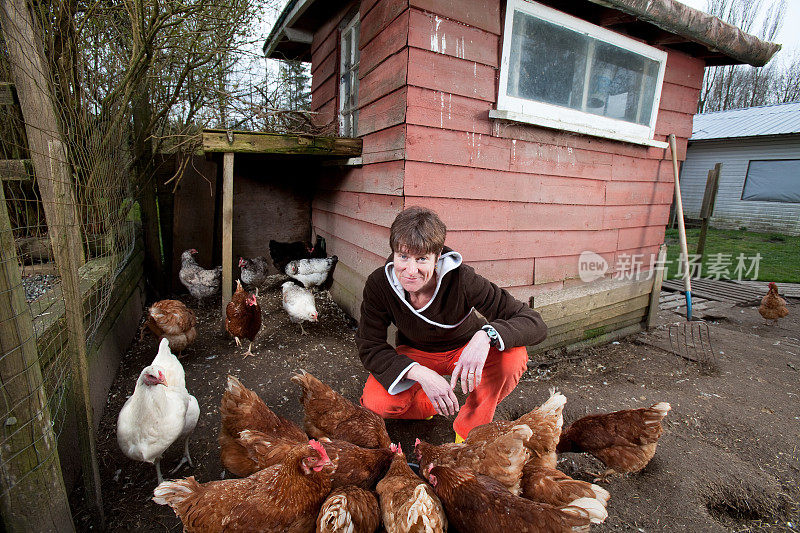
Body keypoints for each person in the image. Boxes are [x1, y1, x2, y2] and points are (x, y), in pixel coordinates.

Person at [356, 206, 548, 442]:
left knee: (512, 358)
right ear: (394, 252)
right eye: (403, 257)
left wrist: (485, 335)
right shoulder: (379, 284)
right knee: (377, 402)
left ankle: (469, 430)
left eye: (422, 259)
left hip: (465, 351)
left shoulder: (462, 279)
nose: (410, 270)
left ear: (437, 258)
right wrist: (420, 374)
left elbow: (534, 322)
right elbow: (369, 344)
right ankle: (429, 404)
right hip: (417, 354)